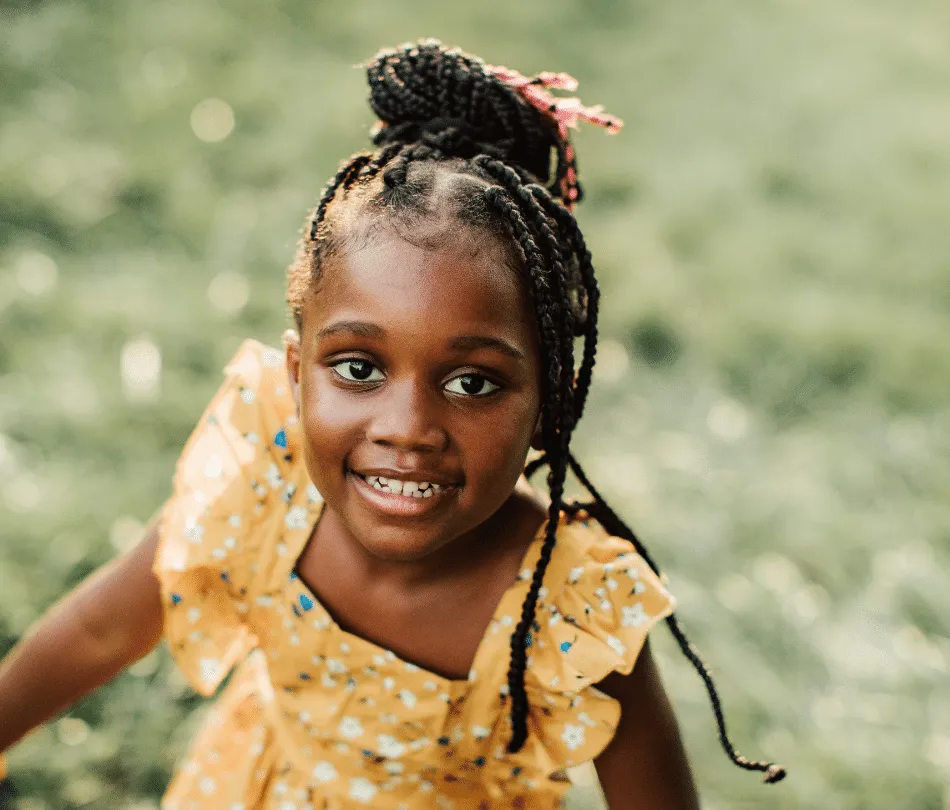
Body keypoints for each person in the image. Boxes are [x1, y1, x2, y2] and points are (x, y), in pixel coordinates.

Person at [0, 40, 785, 809]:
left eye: (473, 381)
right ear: (294, 375)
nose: (408, 426)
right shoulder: (267, 478)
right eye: (358, 369)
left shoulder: (568, 605)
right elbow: (104, 630)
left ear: (551, 405)